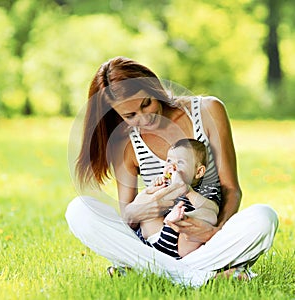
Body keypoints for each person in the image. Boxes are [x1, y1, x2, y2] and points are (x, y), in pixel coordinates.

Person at [65, 56, 278, 287]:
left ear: (154, 87)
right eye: (130, 116)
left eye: (146, 103)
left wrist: (213, 232)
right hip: (156, 243)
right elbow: (129, 219)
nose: (145, 118)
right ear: (117, 115)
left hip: (205, 240)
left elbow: (231, 189)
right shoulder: (124, 143)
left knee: (263, 217)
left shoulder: (207, 110)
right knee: (78, 211)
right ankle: (199, 277)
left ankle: (150, 271)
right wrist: (138, 209)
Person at [141, 138, 219, 259]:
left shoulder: (206, 189)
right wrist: (156, 188)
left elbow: (213, 209)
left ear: (198, 172)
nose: (172, 166)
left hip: (182, 244)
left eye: (180, 163)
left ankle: (179, 218)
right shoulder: (165, 185)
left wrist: (188, 191)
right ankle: (169, 225)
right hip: (156, 236)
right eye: (169, 161)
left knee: (209, 215)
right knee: (147, 208)